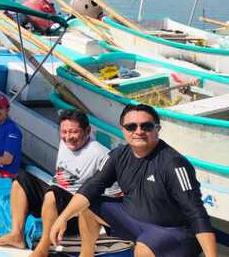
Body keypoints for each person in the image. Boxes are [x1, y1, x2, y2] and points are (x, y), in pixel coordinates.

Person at [50, 104, 217, 257]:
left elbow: (196, 213)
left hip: (173, 230)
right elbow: (92, 186)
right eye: (131, 127)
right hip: (132, 219)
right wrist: (62, 218)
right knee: (88, 207)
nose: (138, 131)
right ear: (123, 130)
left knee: (143, 250)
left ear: (157, 129)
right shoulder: (118, 155)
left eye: (146, 126)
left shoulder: (173, 163)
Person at [0, 110, 115, 256]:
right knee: (22, 178)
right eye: (64, 132)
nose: (68, 137)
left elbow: (110, 192)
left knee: (52, 194)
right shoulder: (64, 142)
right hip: (54, 199)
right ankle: (16, 235)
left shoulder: (100, 153)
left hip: (74, 215)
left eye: (74, 132)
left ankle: (42, 249)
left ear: (87, 131)